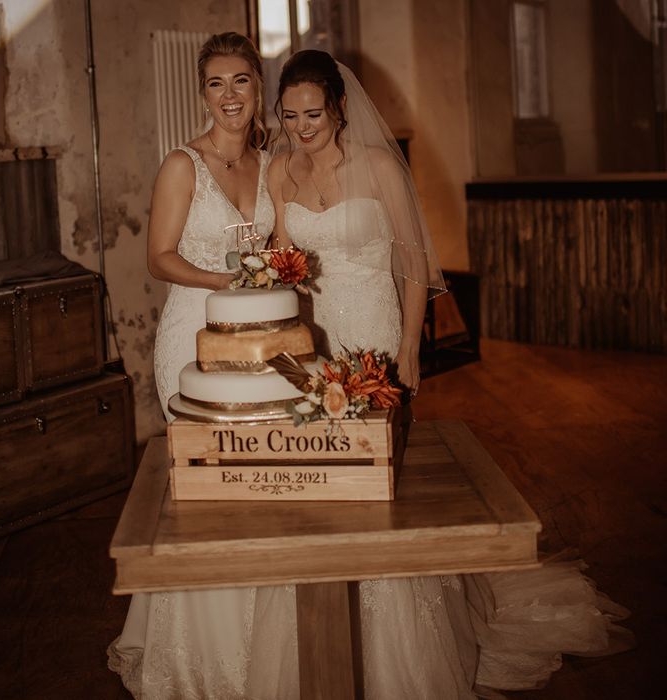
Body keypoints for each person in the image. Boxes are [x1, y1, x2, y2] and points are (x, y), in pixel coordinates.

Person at [266, 49, 633, 698]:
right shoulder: (280, 173)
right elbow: (279, 259)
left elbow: (413, 264)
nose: (301, 126)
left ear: (340, 108)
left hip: (373, 337)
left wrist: (408, 347)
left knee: (381, 494)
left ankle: (399, 651)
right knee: (323, 491)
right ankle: (328, 637)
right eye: (290, 115)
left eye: (313, 114)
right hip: (314, 345)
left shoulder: (378, 166)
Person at [107, 33, 298, 699]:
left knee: (264, 478)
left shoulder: (273, 162)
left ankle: (264, 645)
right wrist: (226, 279)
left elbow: (280, 247)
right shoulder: (182, 165)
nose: (229, 96)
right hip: (192, 337)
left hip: (259, 340)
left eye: (241, 81)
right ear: (201, 93)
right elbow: (158, 258)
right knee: (209, 490)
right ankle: (204, 657)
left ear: (258, 88)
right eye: (216, 83)